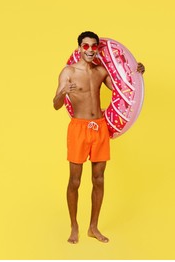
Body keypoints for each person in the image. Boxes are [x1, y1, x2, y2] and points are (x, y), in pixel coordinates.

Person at [53, 31, 145, 244]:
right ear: (79, 49)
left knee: (99, 178)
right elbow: (56, 105)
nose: (90, 50)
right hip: (78, 128)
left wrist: (137, 73)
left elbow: (123, 90)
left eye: (94, 46)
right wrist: (63, 92)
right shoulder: (68, 72)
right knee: (75, 180)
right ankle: (74, 226)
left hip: (100, 127)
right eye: (85, 46)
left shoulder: (101, 71)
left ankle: (93, 227)